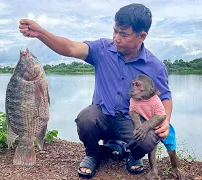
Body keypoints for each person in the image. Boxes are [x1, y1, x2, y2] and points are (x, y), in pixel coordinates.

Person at [19, 3, 175, 179]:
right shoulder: (102, 49)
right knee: (86, 118)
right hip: (102, 115)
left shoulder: (155, 66)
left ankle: (133, 155)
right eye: (115, 31)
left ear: (142, 36)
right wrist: (40, 33)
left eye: (123, 34)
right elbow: (70, 47)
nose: (116, 38)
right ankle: (93, 154)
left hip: (131, 120)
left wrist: (166, 119)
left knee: (148, 138)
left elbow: (166, 97)